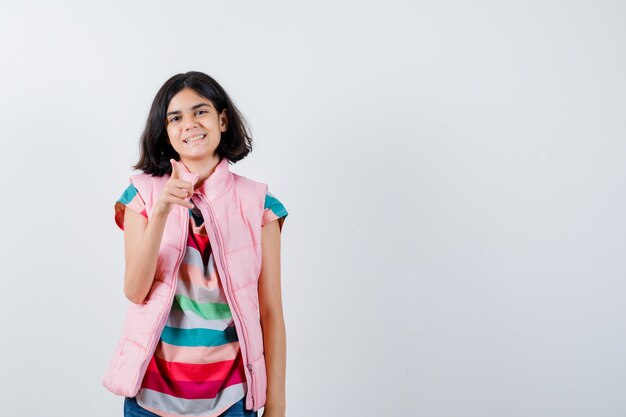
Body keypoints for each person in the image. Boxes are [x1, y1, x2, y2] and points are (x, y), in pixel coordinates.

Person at [105, 71, 287, 417]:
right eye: (176, 117)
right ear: (166, 130)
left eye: (200, 112)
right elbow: (135, 290)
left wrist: (276, 405)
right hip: (149, 398)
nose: (189, 124)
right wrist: (161, 211)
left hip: (231, 399)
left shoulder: (260, 204)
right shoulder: (141, 196)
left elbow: (270, 312)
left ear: (222, 119)